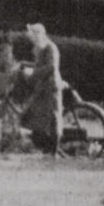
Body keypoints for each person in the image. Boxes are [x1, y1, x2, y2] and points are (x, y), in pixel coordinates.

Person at [20, 22, 63, 156]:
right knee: (36, 117)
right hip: (42, 87)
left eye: (33, 36)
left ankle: (54, 152)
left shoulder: (50, 47)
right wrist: (23, 65)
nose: (32, 39)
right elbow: (39, 64)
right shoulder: (41, 47)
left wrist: (32, 73)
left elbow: (51, 67)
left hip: (51, 87)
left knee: (53, 119)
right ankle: (45, 148)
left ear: (40, 35)